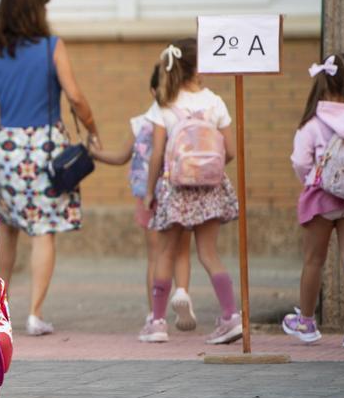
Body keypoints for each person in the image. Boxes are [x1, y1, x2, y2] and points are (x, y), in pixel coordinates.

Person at [0, 0, 99, 336]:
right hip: (45, 148)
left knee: (9, 229)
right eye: (43, 5)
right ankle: (35, 314)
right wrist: (92, 127)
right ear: (33, 10)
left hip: (7, 147)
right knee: (43, 232)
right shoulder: (51, 47)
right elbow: (74, 96)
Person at [140, 39, 241, 344]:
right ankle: (230, 316)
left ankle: (157, 322)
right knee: (209, 254)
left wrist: (149, 191)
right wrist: (208, 168)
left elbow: (157, 154)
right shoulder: (215, 102)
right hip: (211, 188)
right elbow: (231, 151)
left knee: (166, 254)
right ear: (198, 68)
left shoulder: (164, 104)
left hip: (176, 189)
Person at [90, 66, 195, 331]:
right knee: (181, 250)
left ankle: (155, 315)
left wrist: (94, 153)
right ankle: (181, 291)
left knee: (156, 256)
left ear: (152, 91)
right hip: (180, 193)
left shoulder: (141, 122)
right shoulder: (186, 119)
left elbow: (121, 156)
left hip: (149, 196)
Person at [281, 53, 344, 347]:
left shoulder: (312, 123)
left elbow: (299, 161)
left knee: (313, 261)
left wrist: (312, 179)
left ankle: (306, 322)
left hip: (320, 199)